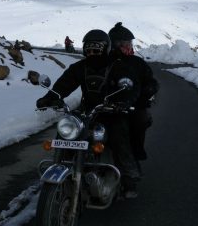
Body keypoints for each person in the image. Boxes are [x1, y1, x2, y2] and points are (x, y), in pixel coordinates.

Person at [36, 29, 143, 198]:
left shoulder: (118, 66)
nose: (92, 53)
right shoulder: (80, 67)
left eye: (96, 49)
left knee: (118, 136)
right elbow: (64, 84)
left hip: (112, 111)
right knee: (66, 132)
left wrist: (124, 101)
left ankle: (129, 179)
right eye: (88, 49)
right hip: (87, 111)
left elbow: (131, 85)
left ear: (105, 49)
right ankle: (63, 164)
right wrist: (50, 97)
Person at [107, 22, 159, 163]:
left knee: (140, 120)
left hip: (132, 104)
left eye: (130, 42)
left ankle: (134, 155)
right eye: (126, 43)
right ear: (116, 44)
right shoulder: (104, 61)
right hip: (106, 104)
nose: (130, 45)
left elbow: (151, 81)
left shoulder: (137, 62)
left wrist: (146, 93)